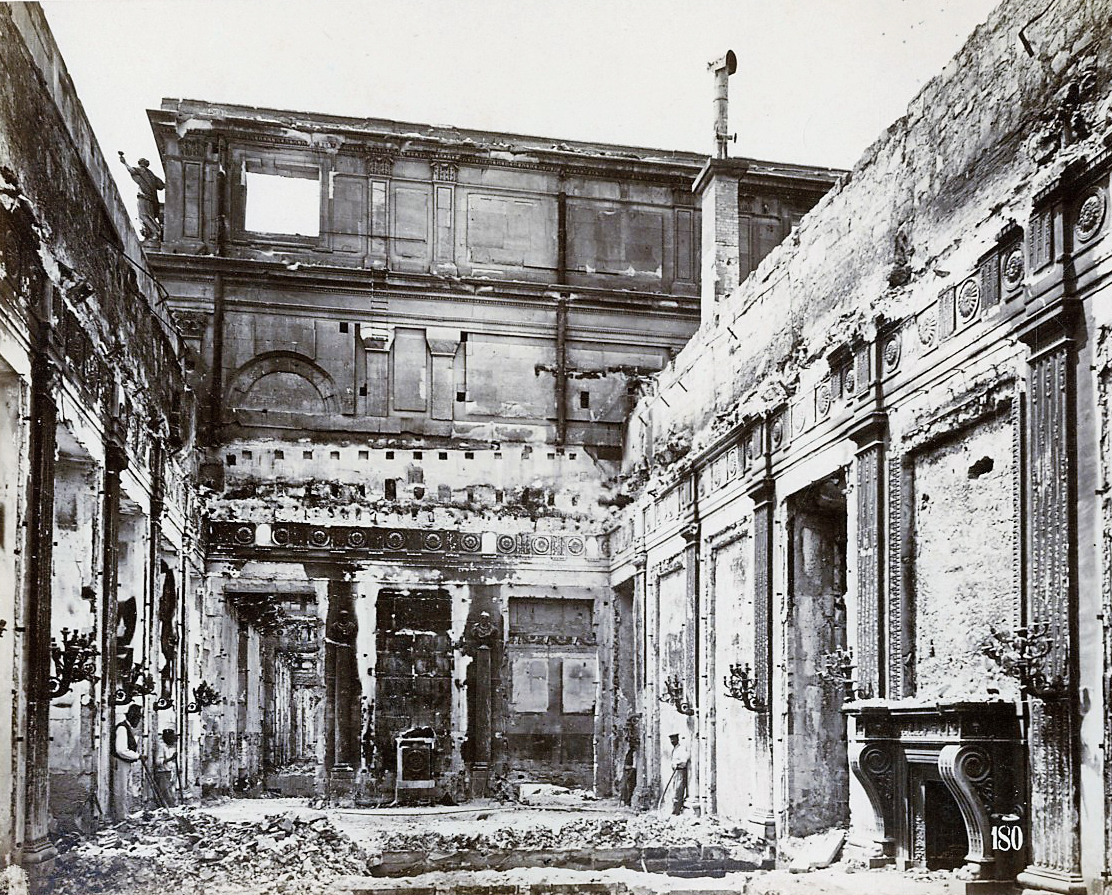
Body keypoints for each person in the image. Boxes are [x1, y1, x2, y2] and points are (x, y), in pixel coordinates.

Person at [117, 152, 165, 241]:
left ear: (141, 164)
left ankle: (156, 232)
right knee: (149, 216)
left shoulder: (140, 170)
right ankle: (154, 231)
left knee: (143, 215)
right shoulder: (151, 174)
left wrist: (124, 163)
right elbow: (161, 185)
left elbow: (131, 170)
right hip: (152, 200)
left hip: (144, 198)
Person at [112, 704, 143, 818]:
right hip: (120, 762)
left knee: (126, 788)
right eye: (137, 718)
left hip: (125, 762)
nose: (138, 721)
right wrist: (137, 756)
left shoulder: (128, 728)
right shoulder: (122, 728)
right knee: (121, 789)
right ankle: (121, 815)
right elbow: (121, 750)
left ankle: (125, 813)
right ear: (132, 717)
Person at [154, 729, 179, 807]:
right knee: (166, 794)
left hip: (167, 772)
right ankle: (168, 809)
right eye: (171, 739)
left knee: (170, 793)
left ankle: (170, 808)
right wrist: (171, 758)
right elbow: (158, 762)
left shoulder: (168, 747)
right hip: (162, 773)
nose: (173, 742)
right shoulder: (161, 747)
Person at [668, 732, 690, 815]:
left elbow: (684, 760)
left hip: (680, 771)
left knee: (678, 790)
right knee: (674, 790)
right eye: (671, 740)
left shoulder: (681, 749)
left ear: (677, 739)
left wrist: (677, 764)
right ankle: (674, 809)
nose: (672, 741)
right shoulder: (675, 749)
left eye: (674, 739)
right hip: (675, 772)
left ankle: (676, 810)